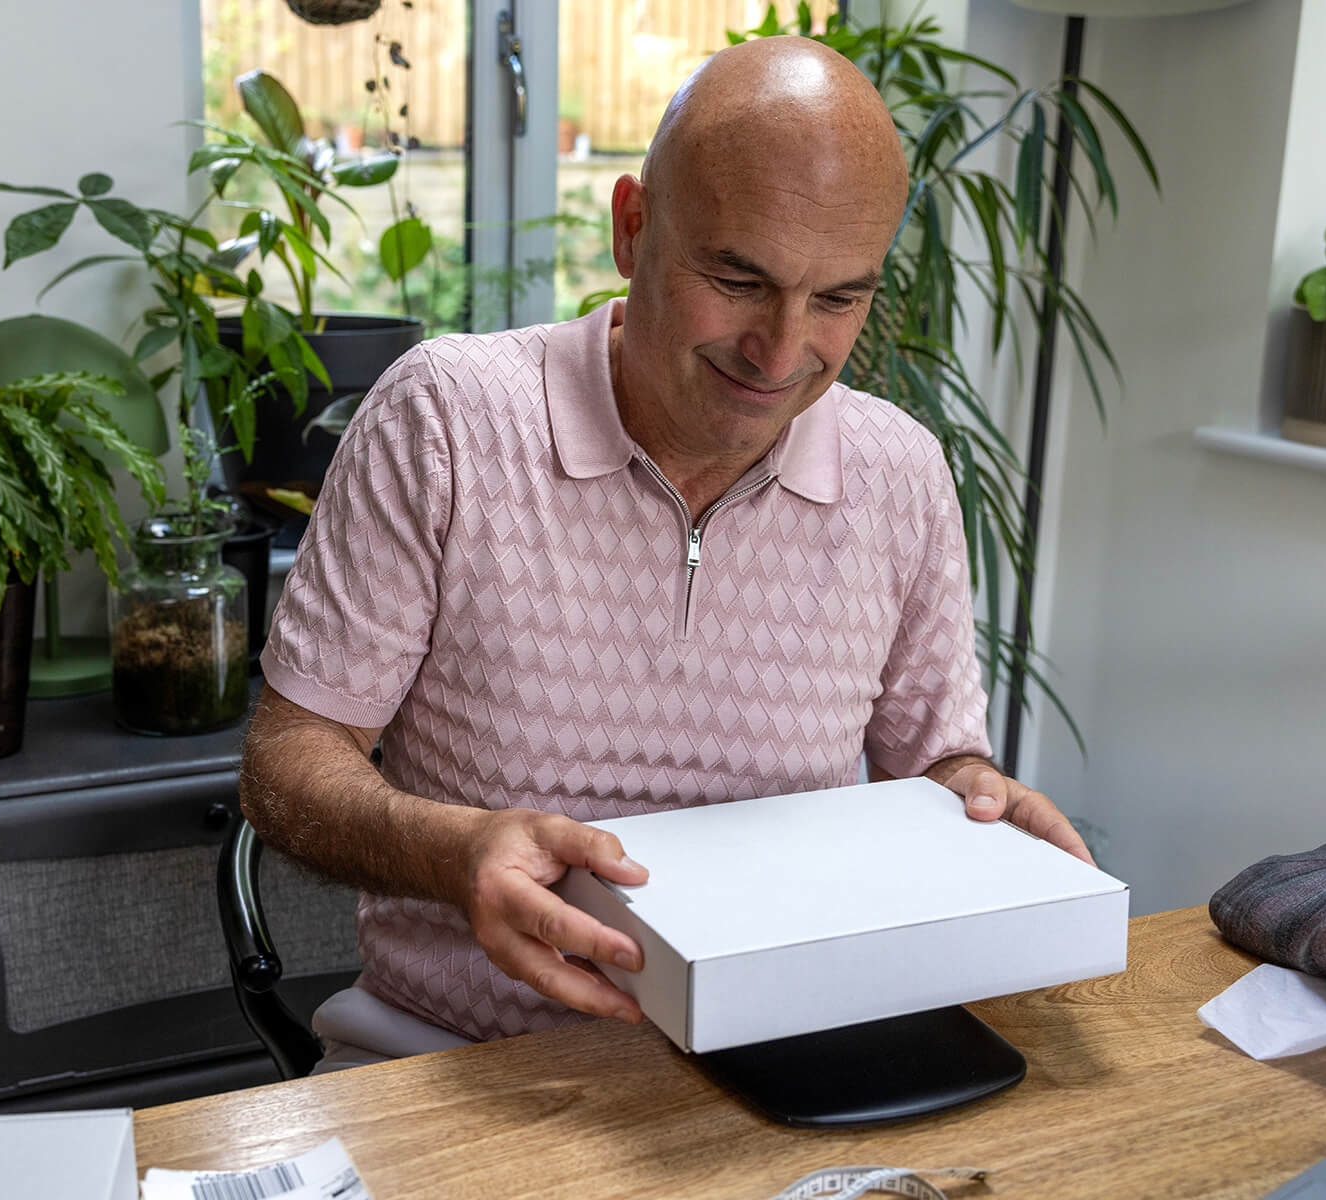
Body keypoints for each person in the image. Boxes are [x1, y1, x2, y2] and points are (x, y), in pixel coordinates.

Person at [240, 34, 1093, 1068]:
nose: (780, 354)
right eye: (737, 279)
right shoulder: (446, 423)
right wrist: (455, 851)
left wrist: (979, 799)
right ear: (632, 229)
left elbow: (938, 768)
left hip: (783, 1061)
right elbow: (286, 767)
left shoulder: (899, 476)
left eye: (837, 299)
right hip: (452, 1060)